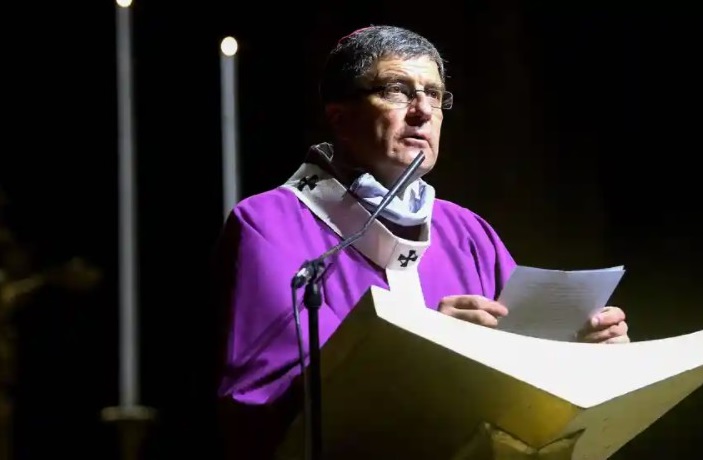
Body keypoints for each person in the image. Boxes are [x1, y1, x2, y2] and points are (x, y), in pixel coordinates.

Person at [212, 25, 630, 459]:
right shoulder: (270, 223)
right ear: (340, 115)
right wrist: (423, 353)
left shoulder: (467, 231)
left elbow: (525, 365)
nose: (422, 110)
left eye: (434, 94)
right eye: (398, 90)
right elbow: (261, 406)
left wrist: (584, 350)